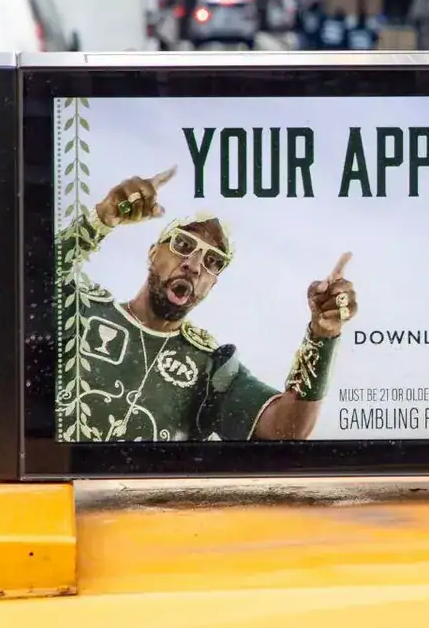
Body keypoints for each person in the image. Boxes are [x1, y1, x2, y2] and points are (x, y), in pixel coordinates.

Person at [54, 167, 358, 443]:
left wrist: (323, 335)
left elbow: (287, 430)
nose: (195, 265)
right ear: (152, 253)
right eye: (184, 245)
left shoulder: (211, 370)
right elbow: (20, 284)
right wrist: (100, 219)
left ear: (213, 284)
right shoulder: (80, 313)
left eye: (213, 262)